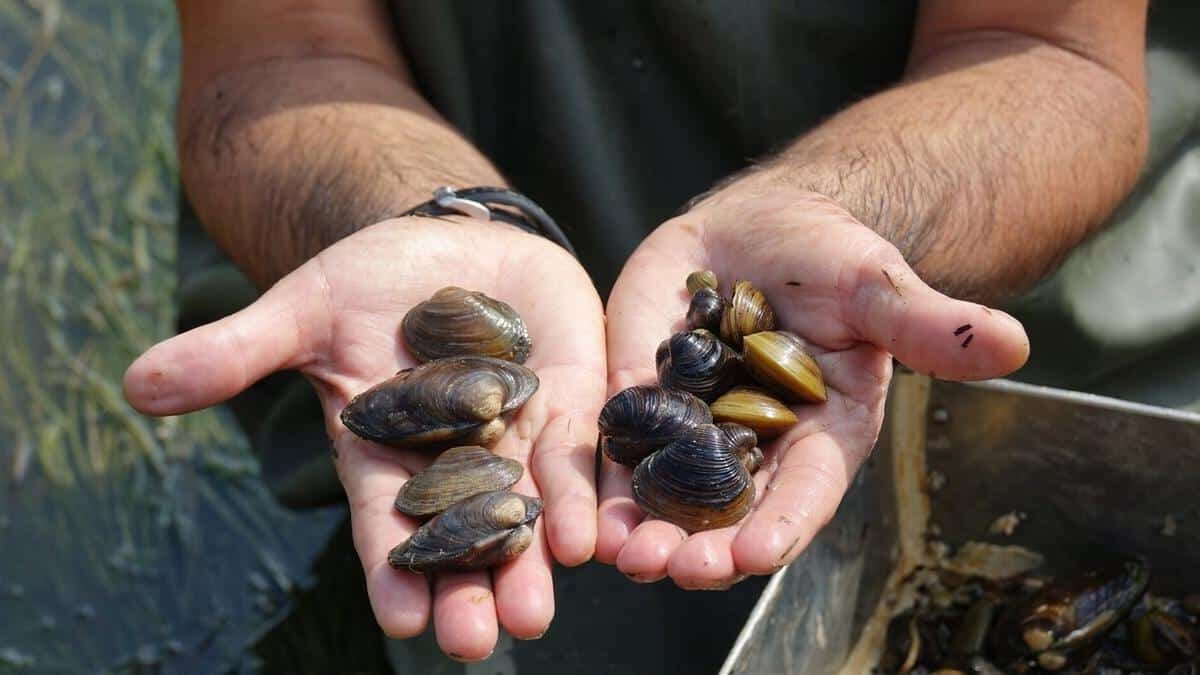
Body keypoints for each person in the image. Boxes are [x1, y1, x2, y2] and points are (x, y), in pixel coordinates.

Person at [122, 0, 1160, 664]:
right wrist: (437, 214)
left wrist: (833, 207)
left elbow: (1052, 49)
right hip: (472, 166)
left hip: (944, 247)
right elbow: (274, 54)